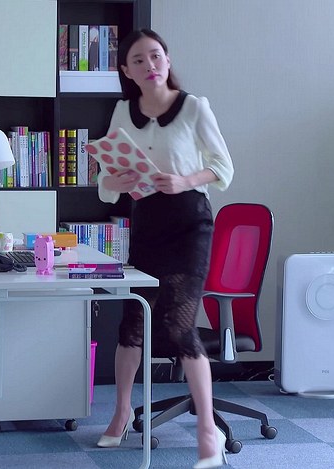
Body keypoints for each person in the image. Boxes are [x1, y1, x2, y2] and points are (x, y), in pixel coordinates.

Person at [95, 28, 234, 469]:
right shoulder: (122, 111)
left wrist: (184, 180)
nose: (149, 65)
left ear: (167, 60)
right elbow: (104, 183)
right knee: (132, 323)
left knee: (179, 325)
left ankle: (208, 430)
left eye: (156, 56)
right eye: (138, 60)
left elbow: (224, 167)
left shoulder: (194, 107)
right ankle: (121, 413)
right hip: (147, 223)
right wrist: (113, 182)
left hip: (190, 224)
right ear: (126, 70)